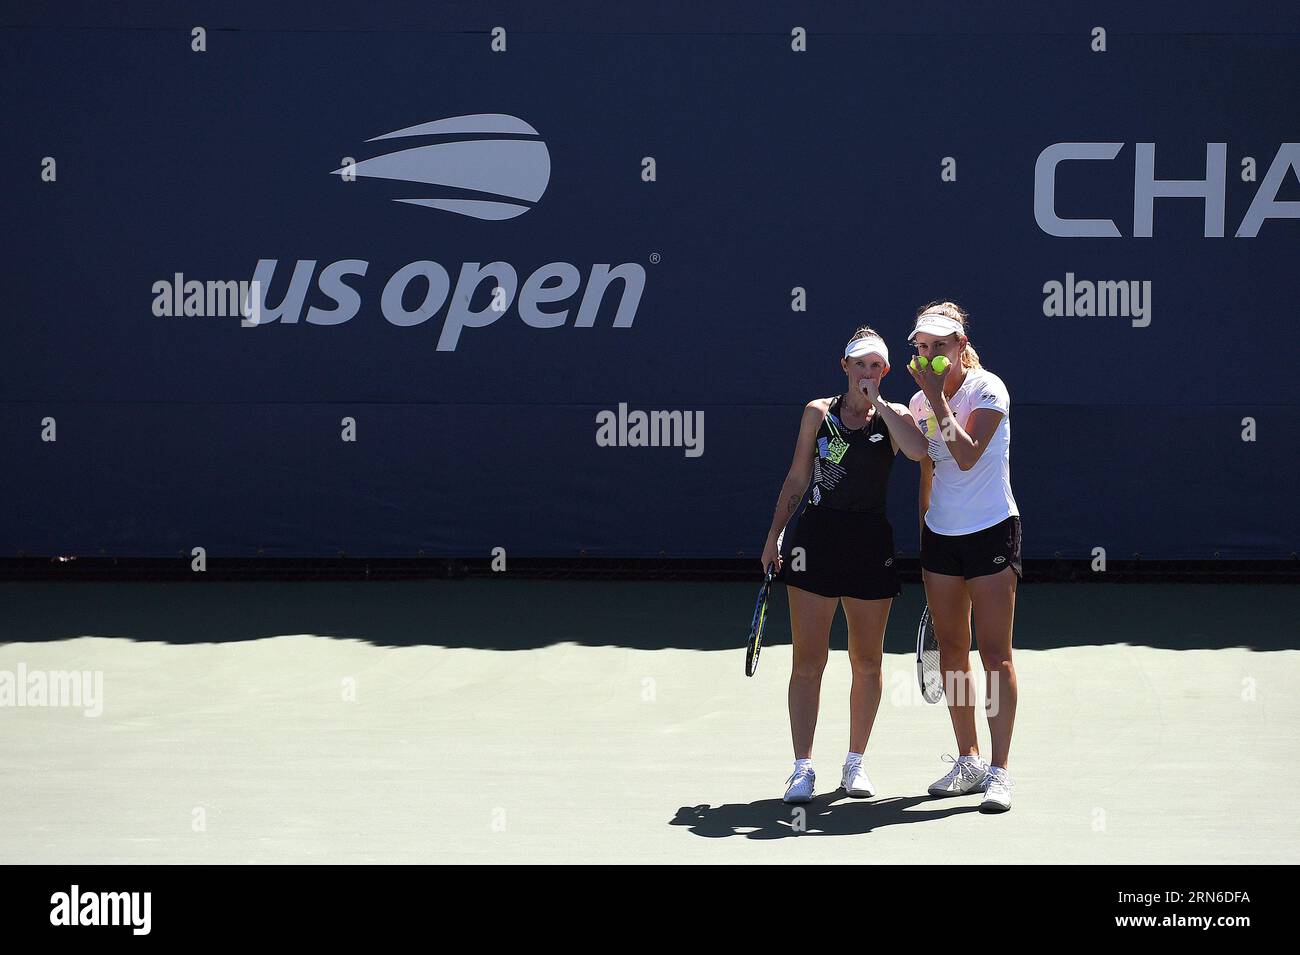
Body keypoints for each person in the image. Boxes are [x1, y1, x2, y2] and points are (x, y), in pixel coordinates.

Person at [761, 327, 927, 803]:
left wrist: (883, 407)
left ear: (885, 372)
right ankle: (802, 767)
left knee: (867, 661)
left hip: (870, 543)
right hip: (815, 540)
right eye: (860, 365)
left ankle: (855, 763)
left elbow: (917, 452)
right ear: (844, 366)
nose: (867, 373)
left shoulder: (894, 419)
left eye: (876, 366)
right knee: (809, 660)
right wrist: (775, 536)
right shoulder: (818, 413)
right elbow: (797, 477)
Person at [906, 301, 1021, 813]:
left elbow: (967, 452)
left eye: (939, 347)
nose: (929, 355)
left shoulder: (989, 388)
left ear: (960, 346)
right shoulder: (916, 401)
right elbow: (931, 467)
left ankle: (998, 771)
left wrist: (935, 398)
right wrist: (927, 519)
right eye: (921, 348)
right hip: (942, 539)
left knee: (994, 656)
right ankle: (968, 759)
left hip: (992, 531)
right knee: (952, 653)